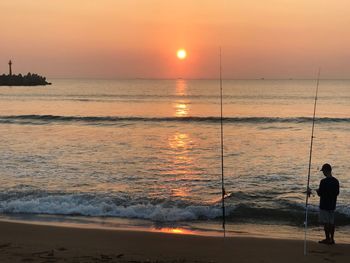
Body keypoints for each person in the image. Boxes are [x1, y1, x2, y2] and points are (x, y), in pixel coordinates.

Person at [316, 163, 339, 245]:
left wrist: (317, 191)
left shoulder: (323, 181)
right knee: (331, 222)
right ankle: (332, 239)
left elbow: (320, 194)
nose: (323, 173)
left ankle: (327, 239)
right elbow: (337, 193)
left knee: (326, 223)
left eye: (323, 171)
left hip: (324, 205)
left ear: (326, 170)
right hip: (332, 205)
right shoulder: (336, 181)